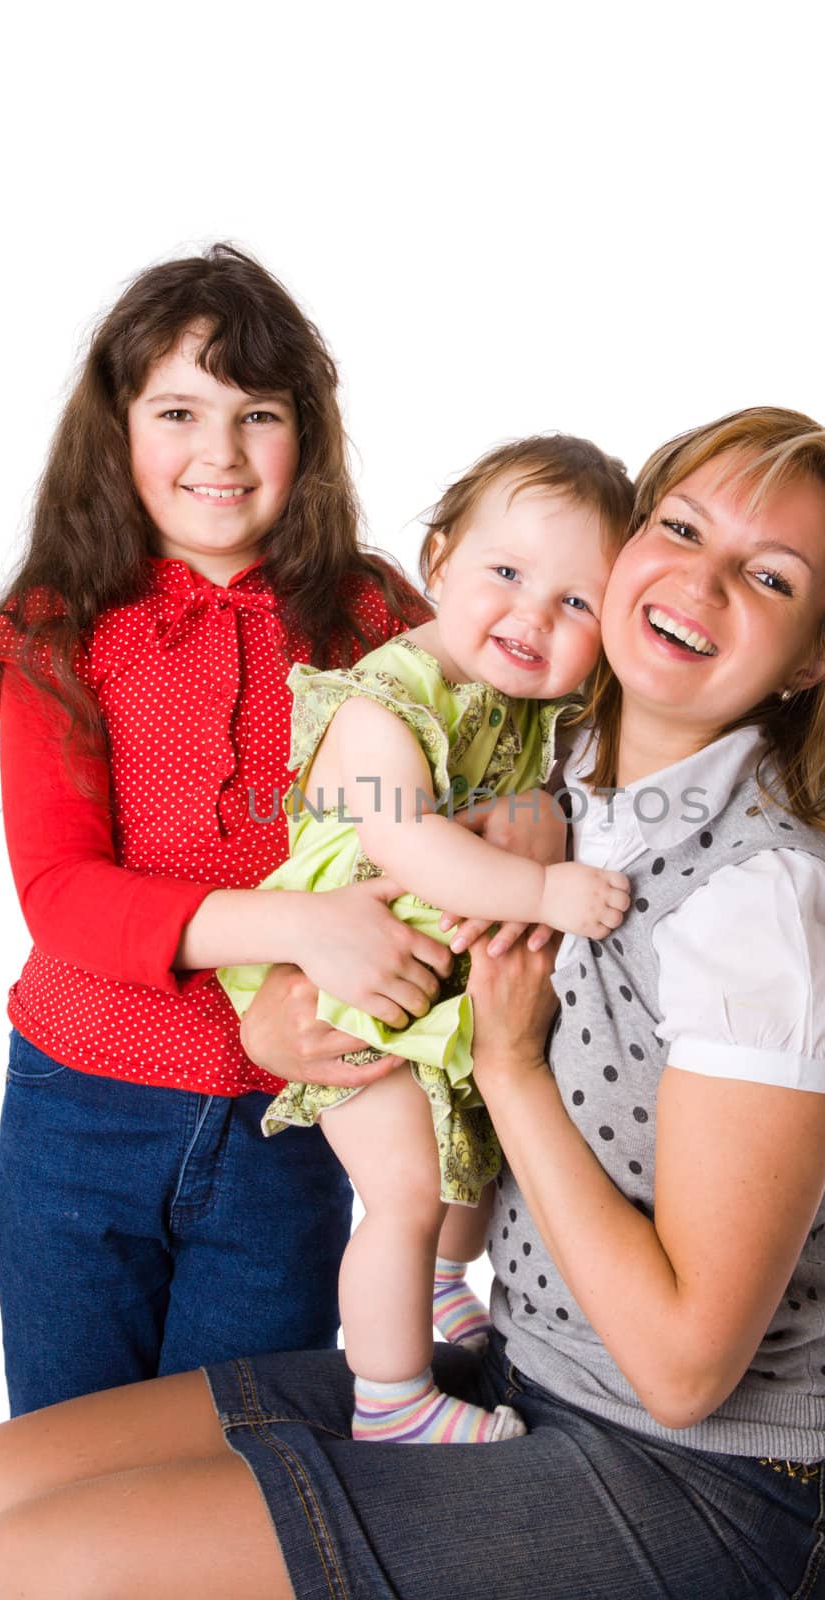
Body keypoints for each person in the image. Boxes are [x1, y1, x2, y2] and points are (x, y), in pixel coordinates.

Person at [0, 405, 825, 1599]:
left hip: (711, 1476)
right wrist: (280, 1016)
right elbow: (374, 899)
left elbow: (687, 1373)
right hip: (536, 1371)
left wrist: (510, 1067)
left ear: (816, 655)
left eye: (767, 574)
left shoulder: (769, 910)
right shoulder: (538, 772)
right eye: (681, 527)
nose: (700, 581)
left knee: (45, 1568)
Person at [0, 243, 456, 1417]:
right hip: (79, 1116)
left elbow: (470, 792)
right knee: (68, 1466)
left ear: (309, 436)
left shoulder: (371, 617)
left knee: (239, 1470)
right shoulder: (59, 625)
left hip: (291, 1125)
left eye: (258, 414)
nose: (219, 454)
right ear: (117, 427)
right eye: (179, 411)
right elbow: (64, 894)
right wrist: (302, 927)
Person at [218, 435, 634, 1445]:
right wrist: (544, 885)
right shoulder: (384, 698)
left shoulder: (529, 709)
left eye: (577, 602)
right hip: (347, 985)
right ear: (438, 559)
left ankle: (445, 1285)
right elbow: (407, 839)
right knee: (402, 1190)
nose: (534, 614)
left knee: (468, 1160)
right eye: (507, 573)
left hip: (428, 984)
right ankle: (391, 1397)